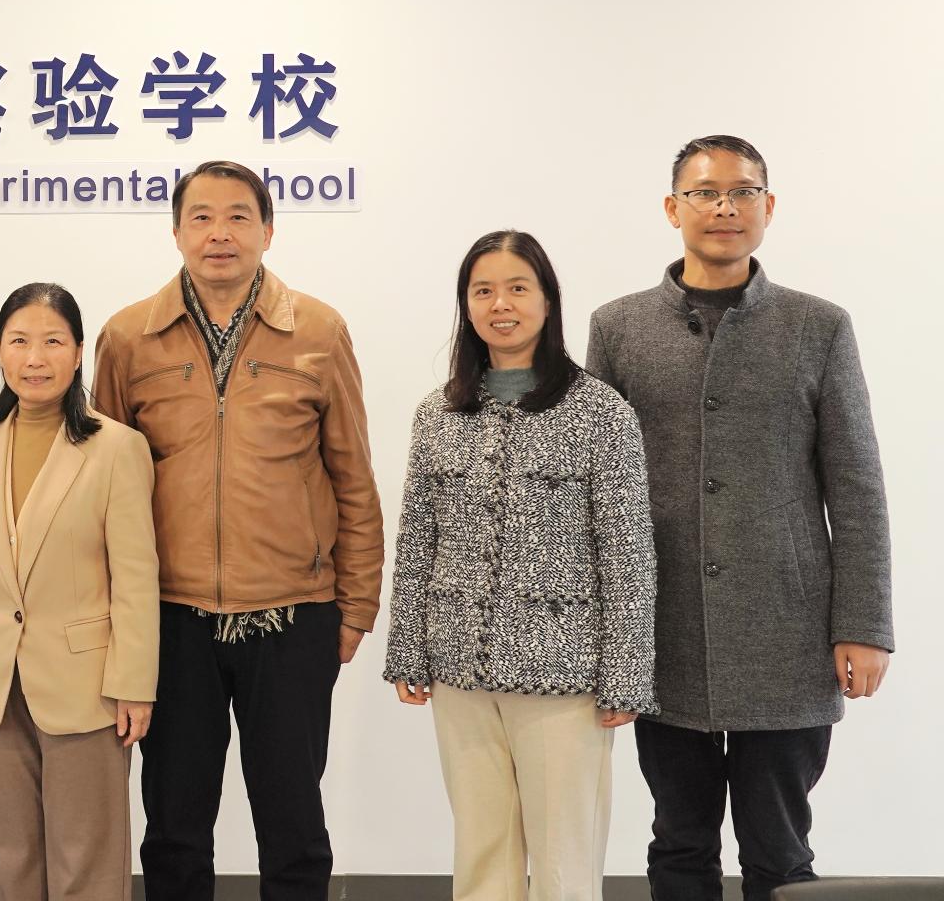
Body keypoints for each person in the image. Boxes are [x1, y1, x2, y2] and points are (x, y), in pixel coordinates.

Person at [586, 135, 894, 901]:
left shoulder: (818, 326)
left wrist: (863, 624)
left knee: (780, 849)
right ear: (672, 208)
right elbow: (598, 488)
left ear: (768, 206)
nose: (724, 207)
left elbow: (856, 483)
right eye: (704, 192)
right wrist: (604, 635)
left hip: (787, 630)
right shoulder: (618, 328)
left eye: (743, 191)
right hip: (664, 629)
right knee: (679, 841)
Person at [91, 159, 385, 901]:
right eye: (201, 217)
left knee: (293, 825)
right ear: (176, 232)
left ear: (268, 230)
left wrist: (356, 607)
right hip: (170, 617)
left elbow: (352, 476)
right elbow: (101, 493)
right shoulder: (128, 337)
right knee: (174, 827)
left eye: (237, 217)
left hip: (293, 615)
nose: (219, 233)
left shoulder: (319, 331)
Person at [382, 230, 656, 901]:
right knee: (481, 854)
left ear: (547, 300)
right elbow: (418, 541)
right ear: (466, 306)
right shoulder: (439, 413)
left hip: (564, 674)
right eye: (483, 291)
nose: (499, 304)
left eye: (516, 288)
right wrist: (407, 649)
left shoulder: (600, 411)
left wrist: (626, 674)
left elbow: (627, 551)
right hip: (459, 669)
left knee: (565, 861)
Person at [0, 282, 159, 901]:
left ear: (79, 351)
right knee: (9, 855)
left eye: (53, 342)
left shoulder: (117, 448)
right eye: (19, 342)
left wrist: (134, 684)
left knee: (84, 857)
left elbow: (135, 577)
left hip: (87, 686)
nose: (35, 358)